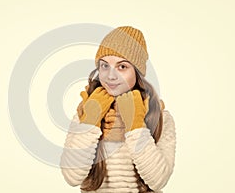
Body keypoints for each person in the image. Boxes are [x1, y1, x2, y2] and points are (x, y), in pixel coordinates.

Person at [60, 26, 176, 193]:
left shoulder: (160, 117)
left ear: (137, 72)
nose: (111, 76)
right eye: (105, 66)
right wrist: (91, 120)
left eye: (122, 67)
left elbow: (158, 181)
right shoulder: (85, 113)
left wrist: (136, 124)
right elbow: (72, 177)